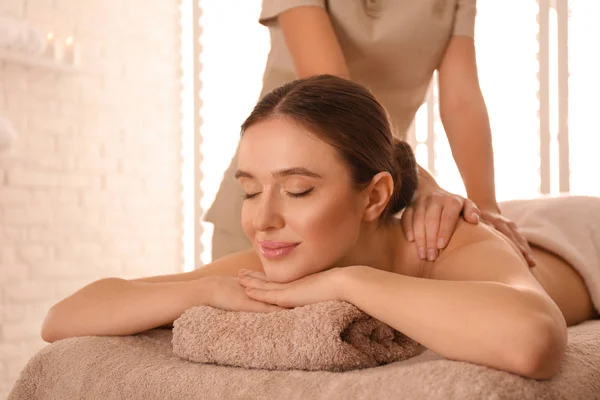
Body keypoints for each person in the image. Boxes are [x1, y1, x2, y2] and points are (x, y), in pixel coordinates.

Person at [42, 76, 597, 381]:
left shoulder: (440, 239)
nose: (263, 220)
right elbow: (63, 318)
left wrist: (346, 283)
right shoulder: (279, 253)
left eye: (299, 189)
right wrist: (207, 289)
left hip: (577, 231)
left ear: (375, 196)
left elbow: (533, 341)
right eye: (251, 190)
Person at [204, 0, 537, 266]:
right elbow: (338, 103)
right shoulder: (264, 212)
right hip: (279, 198)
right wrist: (423, 185)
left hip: (364, 197)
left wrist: (485, 206)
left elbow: (461, 100)